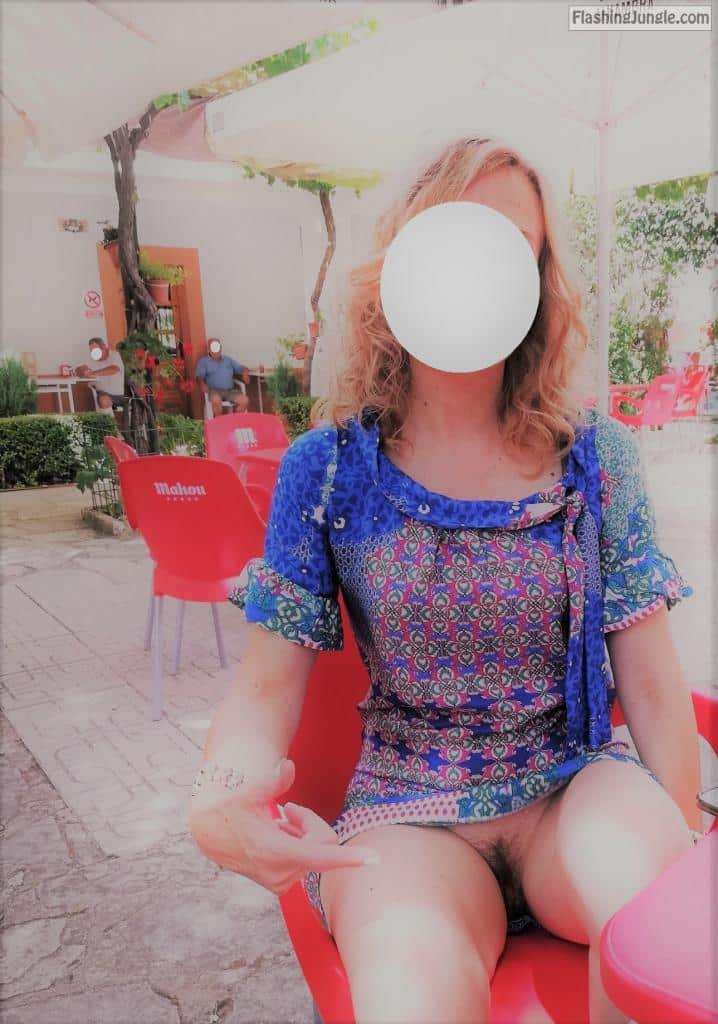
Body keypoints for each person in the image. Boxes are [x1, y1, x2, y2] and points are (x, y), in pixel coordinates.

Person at [189, 137, 702, 1024]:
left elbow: (652, 683)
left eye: (510, 245)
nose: (478, 265)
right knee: (411, 996)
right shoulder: (328, 470)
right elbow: (266, 686)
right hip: (407, 811)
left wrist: (686, 842)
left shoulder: (597, 457)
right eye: (456, 233)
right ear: (403, 258)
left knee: (661, 937)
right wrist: (217, 799)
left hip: (572, 786)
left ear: (538, 277)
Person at [195, 337, 250, 416]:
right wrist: (202, 383)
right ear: (208, 350)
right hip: (214, 391)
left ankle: (235, 420)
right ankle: (220, 421)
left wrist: (245, 372)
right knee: (216, 401)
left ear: (220, 348)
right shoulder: (204, 361)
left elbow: (240, 368)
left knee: (245, 400)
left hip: (230, 391)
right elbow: (199, 376)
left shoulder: (228, 360)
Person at [75, 337, 125, 413]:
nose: (93, 353)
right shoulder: (91, 360)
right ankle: (109, 421)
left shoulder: (115, 355)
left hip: (123, 394)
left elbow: (114, 369)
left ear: (104, 347)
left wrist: (94, 373)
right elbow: (78, 371)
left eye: (95, 350)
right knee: (104, 400)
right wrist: (82, 370)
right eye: (91, 351)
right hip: (105, 395)